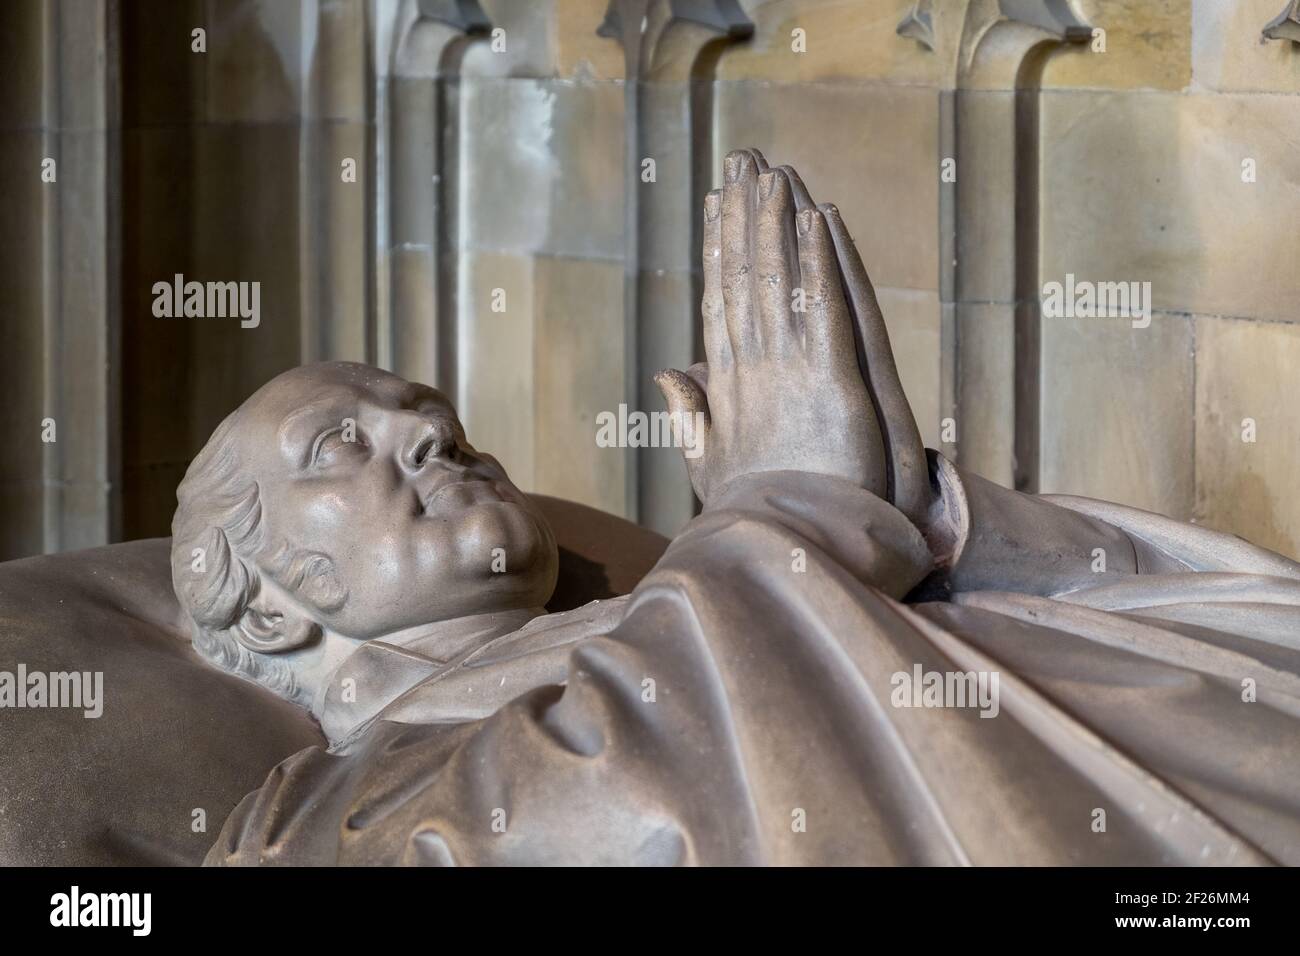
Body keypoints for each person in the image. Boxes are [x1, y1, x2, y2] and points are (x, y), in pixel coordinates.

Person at [192, 150, 1300, 865]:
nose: (432, 431)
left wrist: (919, 516)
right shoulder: (311, 816)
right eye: (339, 445)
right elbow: (559, 826)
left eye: (427, 408)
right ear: (274, 606)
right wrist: (787, 513)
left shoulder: (700, 590)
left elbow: (1229, 608)